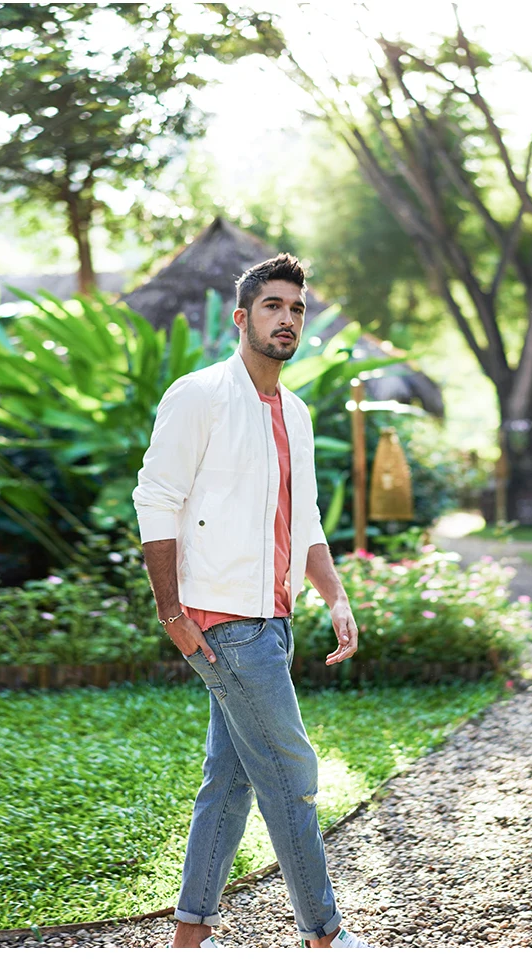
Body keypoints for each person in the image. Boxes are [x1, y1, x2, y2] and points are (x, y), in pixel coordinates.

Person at [133, 254, 372, 949]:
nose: (286, 319)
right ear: (242, 317)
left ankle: (190, 934)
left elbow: (306, 520)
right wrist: (171, 612)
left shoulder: (295, 413)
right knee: (292, 772)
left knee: (230, 779)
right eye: (273, 306)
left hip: (273, 621)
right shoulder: (200, 395)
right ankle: (324, 934)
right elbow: (156, 498)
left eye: (296, 308)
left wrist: (336, 596)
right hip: (223, 624)